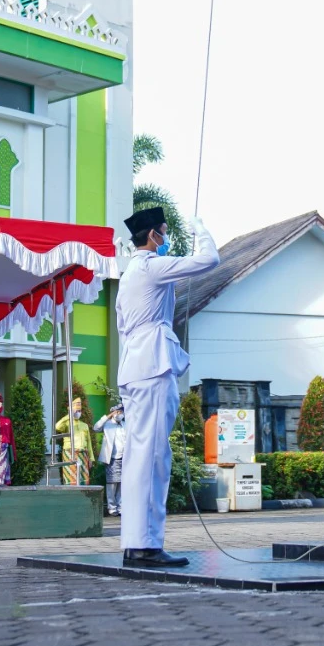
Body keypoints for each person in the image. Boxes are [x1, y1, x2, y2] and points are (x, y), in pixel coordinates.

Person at [116, 207, 219, 568]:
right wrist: (200, 227)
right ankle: (145, 546)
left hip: (135, 366)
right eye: (164, 233)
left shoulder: (129, 274)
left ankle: (136, 543)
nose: (166, 240)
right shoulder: (150, 266)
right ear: (153, 237)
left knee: (139, 457)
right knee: (153, 457)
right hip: (152, 365)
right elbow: (209, 260)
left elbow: (123, 330)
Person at [95, 403, 127, 515]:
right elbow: (96, 427)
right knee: (112, 484)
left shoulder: (125, 425)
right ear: (113, 413)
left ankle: (121, 507)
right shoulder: (107, 424)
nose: (120, 414)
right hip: (112, 458)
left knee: (122, 484)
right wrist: (108, 416)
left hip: (124, 458)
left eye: (121, 412)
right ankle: (112, 507)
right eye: (118, 412)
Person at [55, 398, 93, 485]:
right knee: (71, 478)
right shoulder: (67, 423)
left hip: (83, 454)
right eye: (76, 411)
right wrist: (69, 415)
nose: (78, 413)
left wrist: (91, 458)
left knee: (84, 479)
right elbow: (57, 426)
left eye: (79, 411)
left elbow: (89, 443)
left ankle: (82, 497)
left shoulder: (84, 425)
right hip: (70, 453)